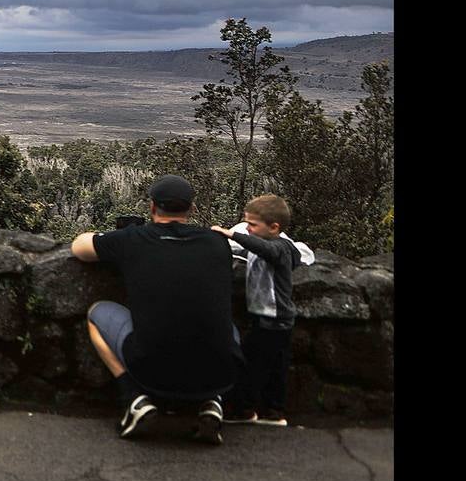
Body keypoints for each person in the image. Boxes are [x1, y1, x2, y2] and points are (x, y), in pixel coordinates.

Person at [71, 175, 243, 445]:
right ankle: (212, 401)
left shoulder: (134, 239)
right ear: (192, 209)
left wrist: (110, 237)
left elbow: (78, 247)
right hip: (220, 372)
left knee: (96, 312)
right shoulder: (216, 243)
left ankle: (134, 398)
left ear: (152, 207)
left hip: (151, 369)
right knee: (226, 326)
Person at [212, 194, 314, 427]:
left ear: (274, 227)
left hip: (275, 320)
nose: (247, 228)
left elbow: (264, 250)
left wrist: (232, 234)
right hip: (269, 318)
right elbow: (249, 253)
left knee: (251, 365)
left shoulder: (281, 248)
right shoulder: (266, 246)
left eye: (252, 225)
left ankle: (244, 411)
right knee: (275, 369)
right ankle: (274, 413)